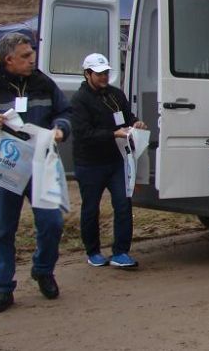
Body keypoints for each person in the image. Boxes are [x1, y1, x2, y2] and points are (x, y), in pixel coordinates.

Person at [0, 32, 71, 313]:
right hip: (5, 167)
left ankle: (43, 270)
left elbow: (65, 112)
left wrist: (62, 128)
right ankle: (2, 288)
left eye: (32, 53)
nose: (32, 59)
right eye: (25, 56)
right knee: (2, 229)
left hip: (41, 165)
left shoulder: (44, 84)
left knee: (52, 223)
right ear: (9, 59)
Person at [71, 53, 148, 269]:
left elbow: (127, 117)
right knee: (91, 208)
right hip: (89, 163)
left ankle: (121, 251)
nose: (104, 77)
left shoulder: (115, 95)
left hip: (117, 160)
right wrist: (113, 134)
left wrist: (136, 123)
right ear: (87, 74)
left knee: (123, 204)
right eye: (99, 74)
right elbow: (83, 132)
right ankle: (93, 251)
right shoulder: (79, 100)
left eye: (106, 73)